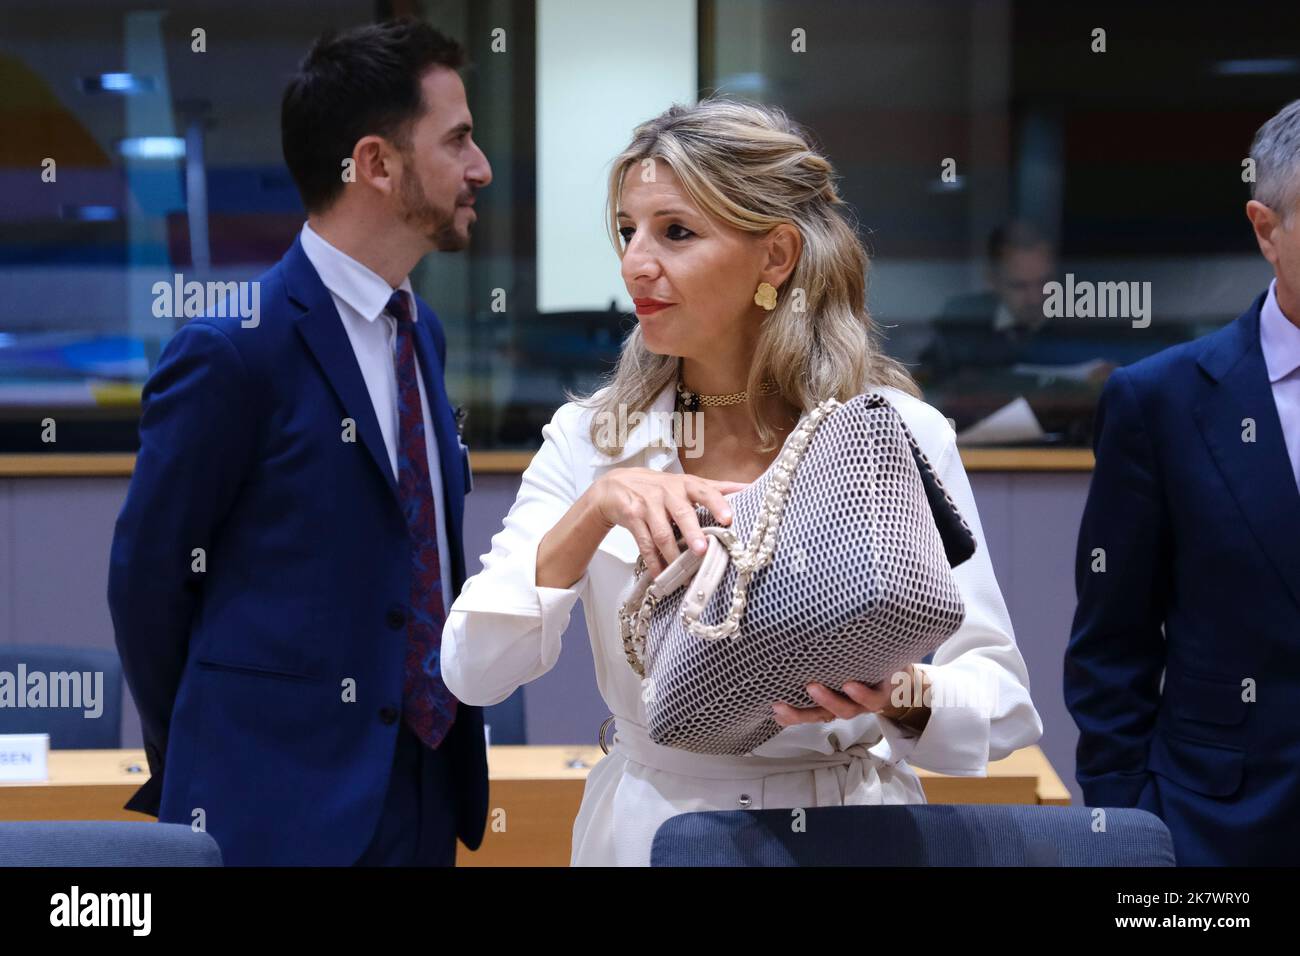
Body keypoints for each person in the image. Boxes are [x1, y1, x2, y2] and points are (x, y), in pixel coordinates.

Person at [443, 98, 1043, 866]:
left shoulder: (899, 434)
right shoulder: (593, 442)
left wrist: (902, 697)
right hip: (651, 832)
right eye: (628, 231)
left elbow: (1001, 704)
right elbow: (470, 670)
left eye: (676, 232)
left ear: (777, 256)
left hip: (856, 832)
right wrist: (595, 510)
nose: (634, 262)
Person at [107, 19, 493, 866]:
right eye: (458, 139)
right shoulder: (235, 350)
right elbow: (148, 585)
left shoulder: (419, 330)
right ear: (376, 164)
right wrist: (216, 758)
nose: (481, 169)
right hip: (273, 809)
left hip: (424, 790)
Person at [1065, 99, 1300, 866]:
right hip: (1216, 827)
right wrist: (1131, 826)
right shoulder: (1164, 399)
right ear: (1266, 228)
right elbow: (1112, 646)